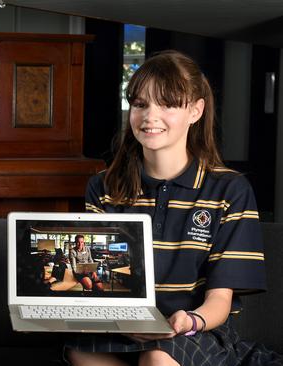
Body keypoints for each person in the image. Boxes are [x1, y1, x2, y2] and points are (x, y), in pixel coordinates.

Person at [64, 50, 282, 366]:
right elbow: (100, 286)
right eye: (140, 104)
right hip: (123, 327)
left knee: (157, 356)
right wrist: (125, 321)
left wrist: (188, 321)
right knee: (80, 352)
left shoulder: (230, 189)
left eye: (167, 104)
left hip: (197, 329)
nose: (150, 116)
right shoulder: (102, 187)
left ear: (195, 111)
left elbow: (219, 301)